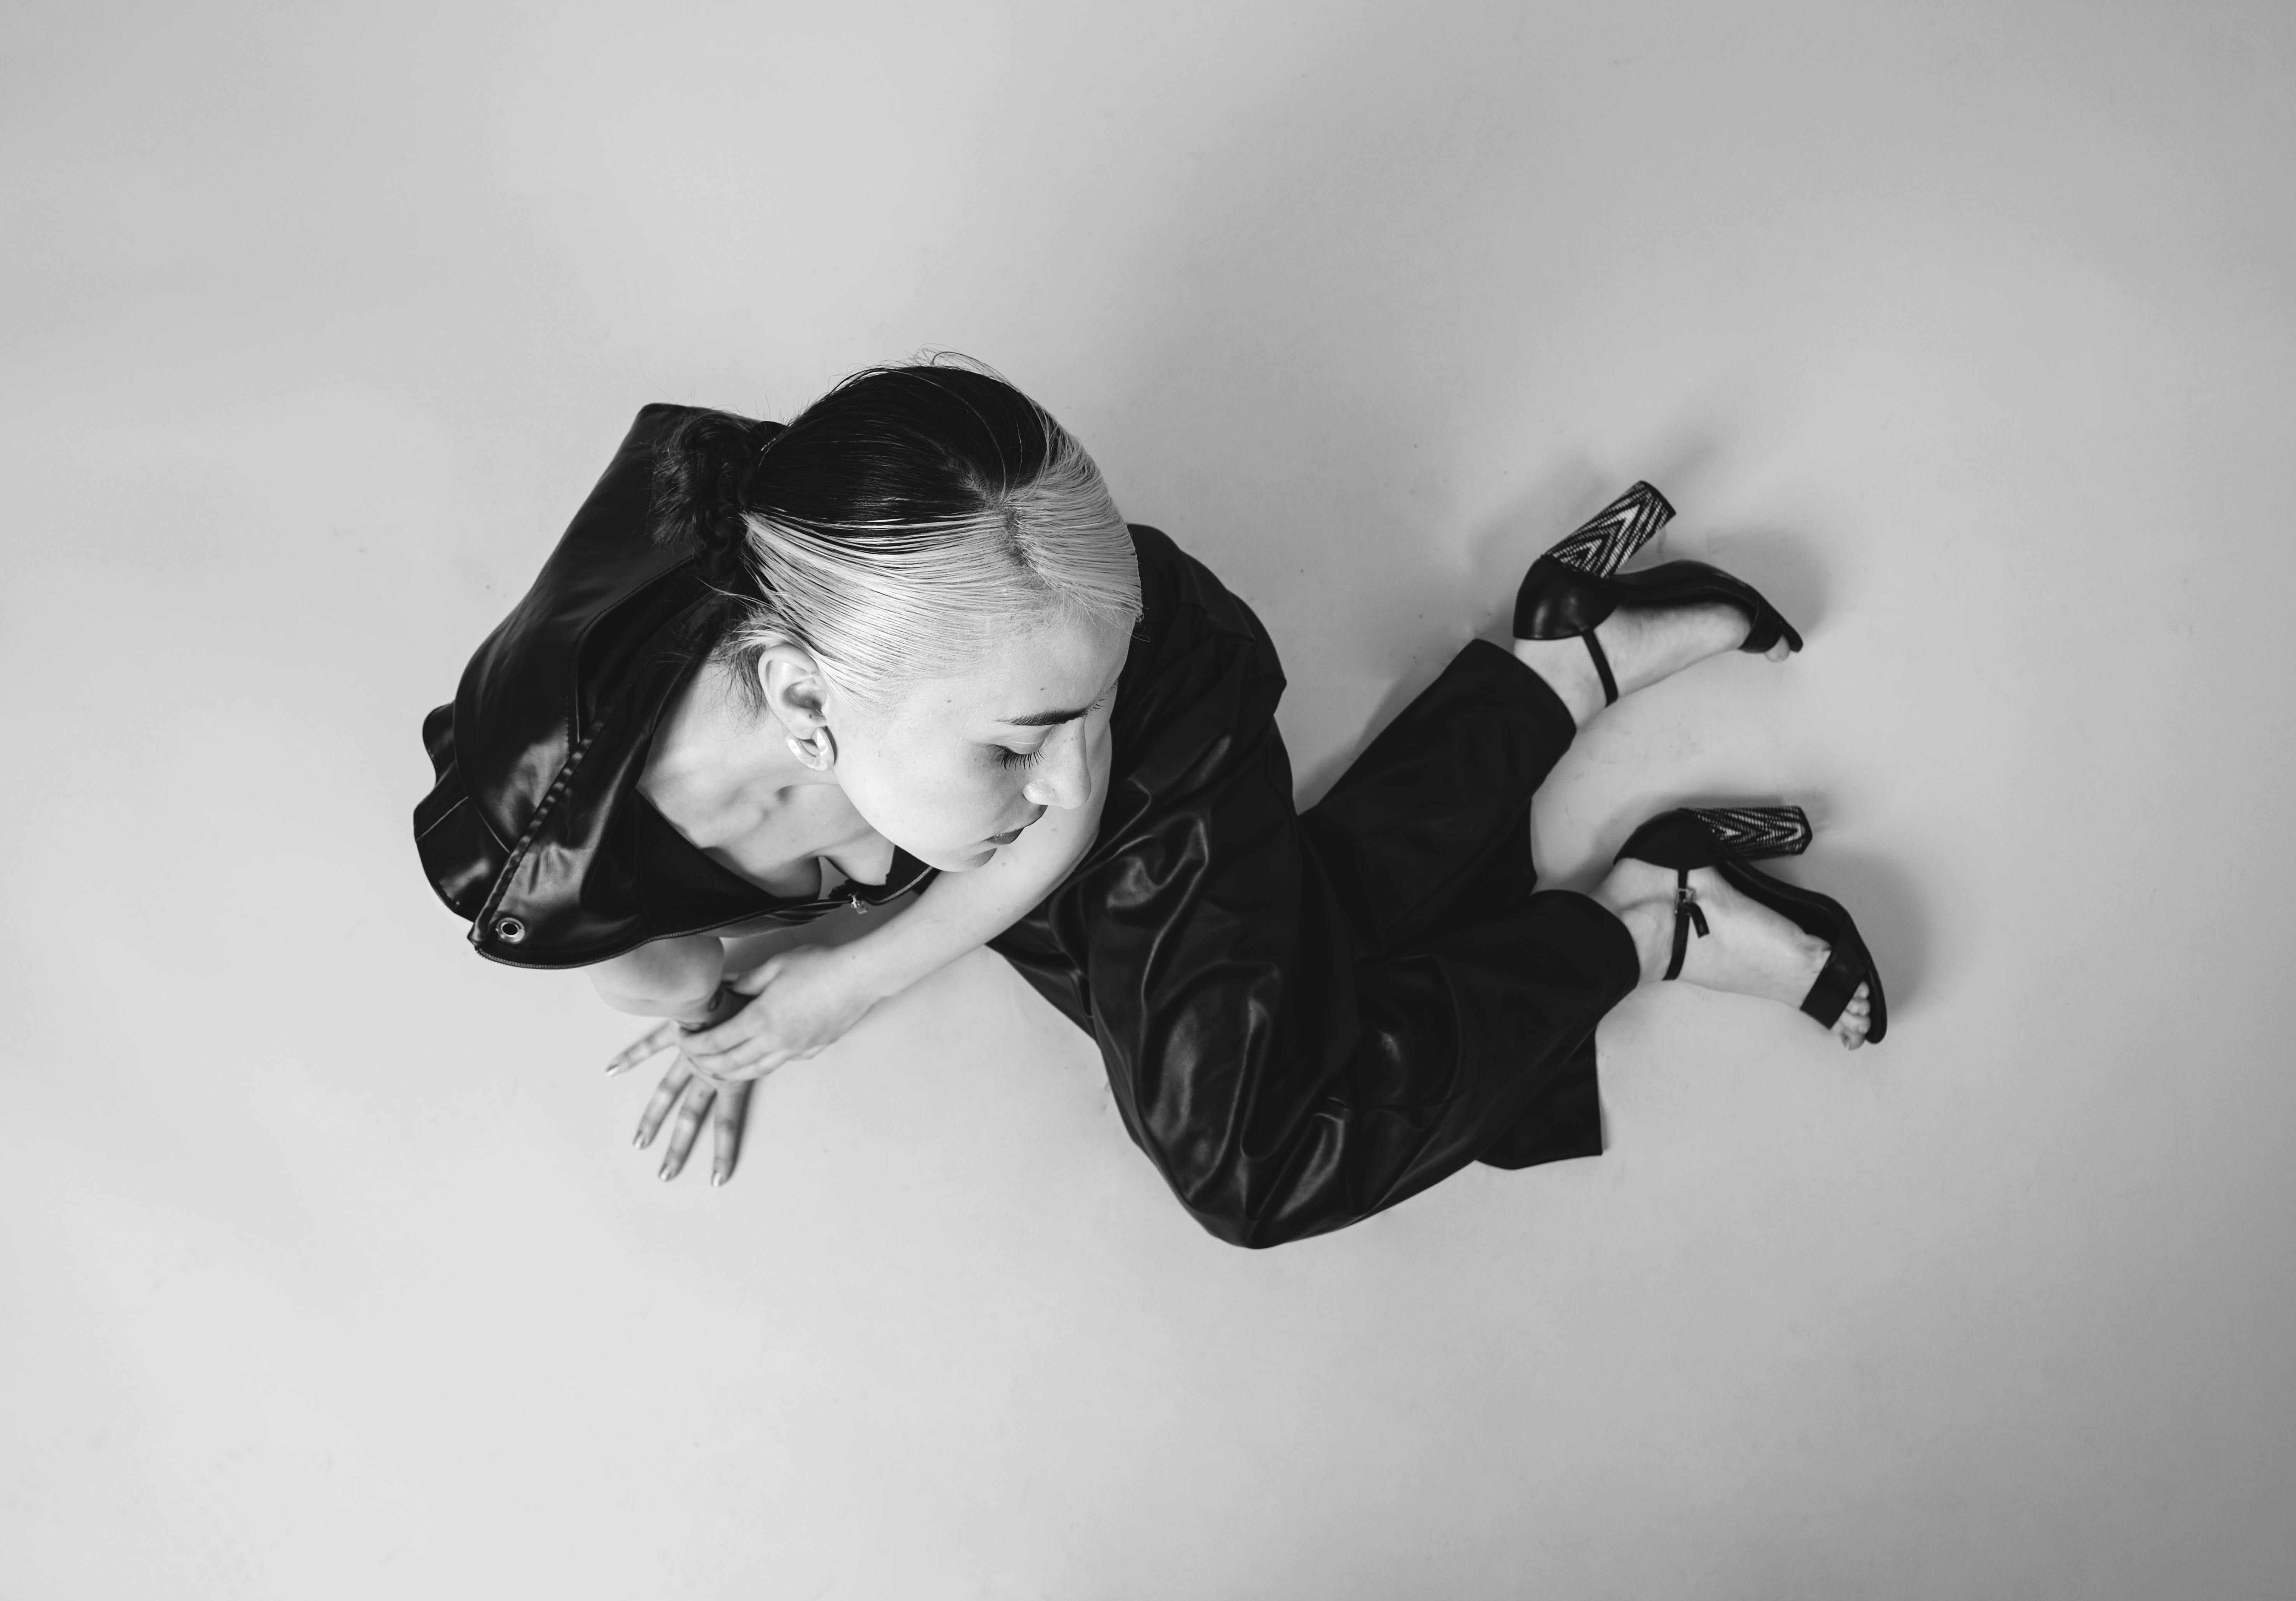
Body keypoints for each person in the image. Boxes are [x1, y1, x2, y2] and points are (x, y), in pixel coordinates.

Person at [412, 362, 1883, 1249]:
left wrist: (841, 988)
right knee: (1288, 996)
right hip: (1014, 674)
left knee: (1251, 1157)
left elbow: (1065, 814)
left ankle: (1639, 928)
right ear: (806, 709)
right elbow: (689, 969)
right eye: (1022, 750)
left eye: (1069, 733)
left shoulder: (1039, 717)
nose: (1074, 787)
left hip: (1124, 677)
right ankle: (1560, 685)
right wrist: (758, 998)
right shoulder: (559, 852)